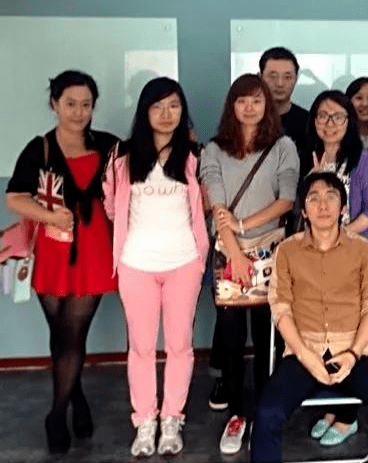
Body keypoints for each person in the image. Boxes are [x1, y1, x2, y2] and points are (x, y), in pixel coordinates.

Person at [250, 172, 368, 463]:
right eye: (313, 198)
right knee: (267, 414)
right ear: (304, 211)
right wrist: (305, 354)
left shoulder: (363, 250)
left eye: (331, 197)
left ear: (343, 208)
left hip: (353, 353)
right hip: (302, 353)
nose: (323, 205)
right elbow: (281, 309)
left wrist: (353, 354)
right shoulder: (287, 251)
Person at [5, 70, 119, 454]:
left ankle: (56, 414)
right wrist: (50, 216)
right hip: (53, 251)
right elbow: (14, 197)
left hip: (94, 250)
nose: (78, 112)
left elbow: (142, 165)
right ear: (54, 104)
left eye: (86, 104)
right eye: (70, 103)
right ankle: (78, 398)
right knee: (60, 334)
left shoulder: (108, 145)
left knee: (73, 334)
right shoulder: (39, 148)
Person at [102, 77, 208, 456]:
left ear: (183, 111)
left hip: (184, 263)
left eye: (174, 106)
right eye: (158, 106)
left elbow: (206, 204)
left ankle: (172, 419)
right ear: (144, 111)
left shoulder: (194, 155)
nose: (166, 114)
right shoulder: (122, 156)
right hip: (136, 263)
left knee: (180, 346)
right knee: (142, 348)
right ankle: (145, 422)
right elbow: (112, 207)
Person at [199, 73, 300, 455]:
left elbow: (286, 200)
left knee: (266, 337)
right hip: (228, 255)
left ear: (267, 105)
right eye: (242, 100)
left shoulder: (283, 146)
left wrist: (243, 226)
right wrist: (235, 251)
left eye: (257, 100)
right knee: (230, 338)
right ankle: (237, 415)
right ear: (232, 106)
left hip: (270, 252)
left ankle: (263, 412)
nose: (249, 107)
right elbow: (217, 206)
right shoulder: (214, 149)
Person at [304, 90, 368, 446]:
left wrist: (340, 236)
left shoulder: (363, 159)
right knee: (321, 329)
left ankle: (348, 415)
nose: (330, 123)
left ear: (349, 122)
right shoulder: (308, 156)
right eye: (323, 115)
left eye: (338, 116)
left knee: (350, 333)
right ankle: (333, 405)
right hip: (314, 262)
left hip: (353, 259)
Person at [259, 46, 310, 171]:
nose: (280, 83)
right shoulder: (247, 120)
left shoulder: (309, 122)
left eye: (287, 77)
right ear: (260, 77)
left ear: (296, 79)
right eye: (272, 76)